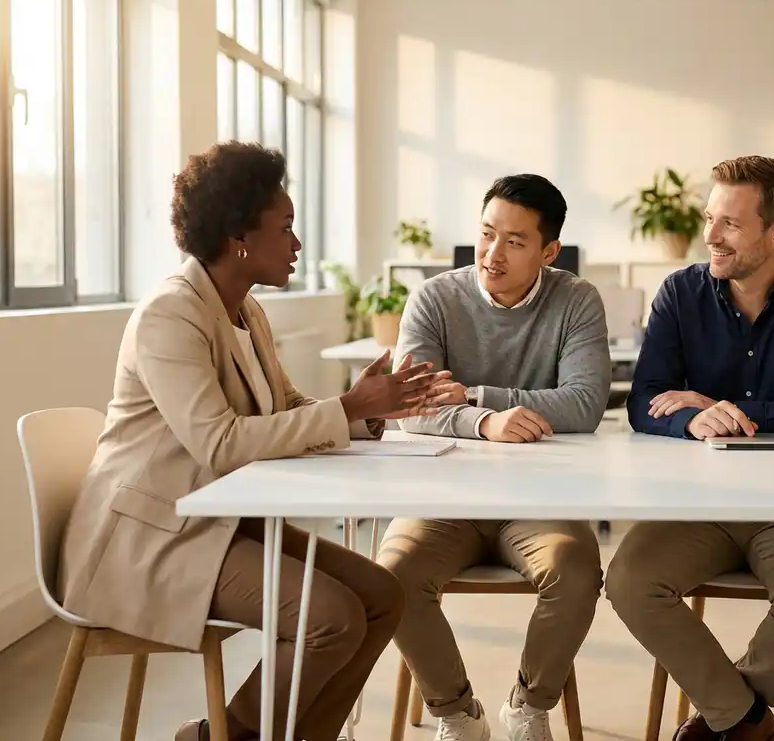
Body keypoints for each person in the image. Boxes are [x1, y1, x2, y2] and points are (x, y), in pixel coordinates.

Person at [57, 141, 453, 741]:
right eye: (286, 227)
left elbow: (286, 408)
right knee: (333, 618)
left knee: (381, 594)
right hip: (151, 539)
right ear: (240, 234)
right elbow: (219, 443)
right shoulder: (171, 314)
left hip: (218, 523)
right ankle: (219, 737)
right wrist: (347, 407)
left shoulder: (245, 312)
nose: (297, 244)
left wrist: (367, 409)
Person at [605, 156, 774, 741]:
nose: (710, 236)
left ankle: (721, 718)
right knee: (629, 581)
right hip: (699, 504)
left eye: (729, 223)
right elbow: (643, 401)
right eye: (709, 218)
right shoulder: (680, 293)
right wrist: (695, 423)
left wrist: (734, 413)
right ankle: (748, 723)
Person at [377, 174, 611, 741]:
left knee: (576, 573)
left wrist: (480, 396)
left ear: (548, 251)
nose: (492, 254)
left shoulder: (575, 299)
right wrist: (486, 424)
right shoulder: (435, 298)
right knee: (393, 576)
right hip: (444, 496)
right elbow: (410, 406)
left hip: (538, 500)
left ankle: (528, 707)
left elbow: (584, 403)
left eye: (514, 241)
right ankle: (456, 715)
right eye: (486, 234)